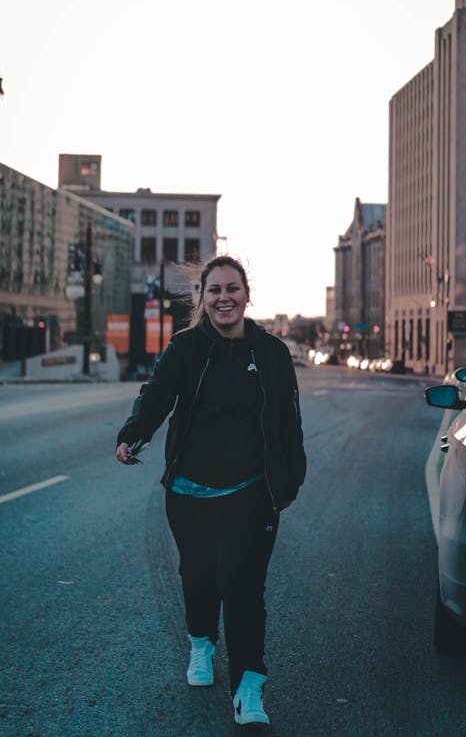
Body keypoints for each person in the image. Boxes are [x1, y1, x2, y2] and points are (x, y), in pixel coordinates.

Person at [116, 255, 306, 728]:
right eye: (215, 290)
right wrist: (132, 433)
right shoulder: (185, 349)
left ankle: (248, 687)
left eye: (232, 289)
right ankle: (201, 643)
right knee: (199, 576)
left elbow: (288, 421)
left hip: (250, 490)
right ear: (203, 298)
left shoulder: (272, 353)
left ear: (247, 295)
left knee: (242, 586)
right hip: (190, 491)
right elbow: (156, 394)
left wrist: (290, 480)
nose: (224, 297)